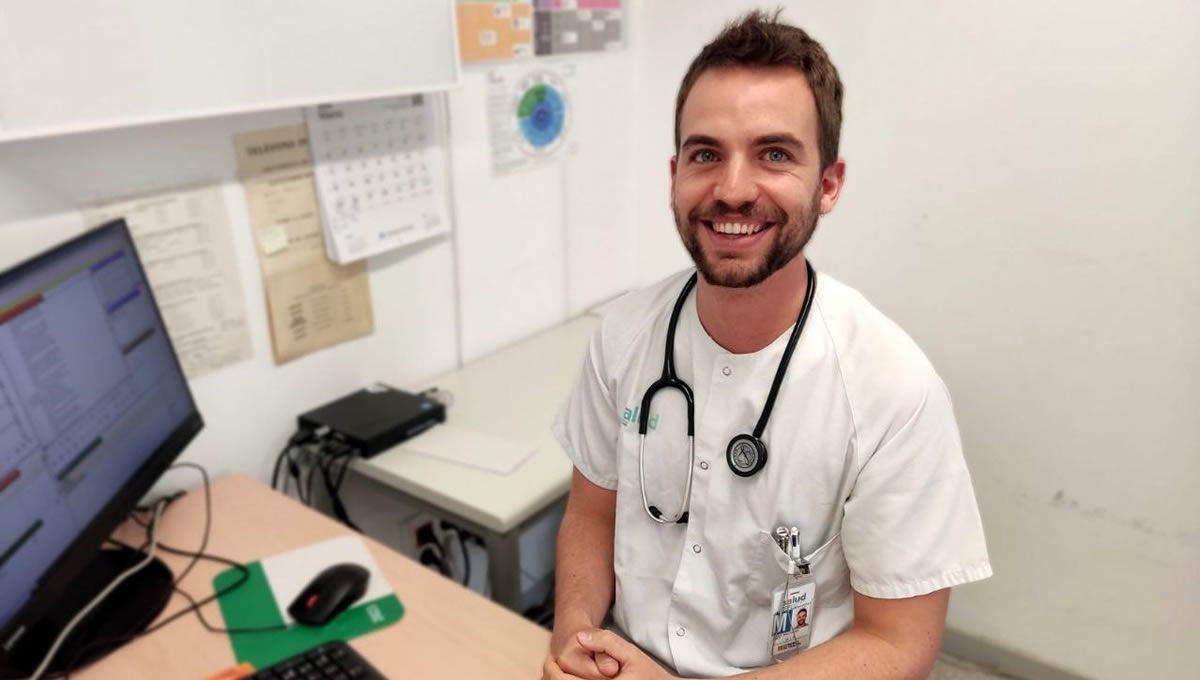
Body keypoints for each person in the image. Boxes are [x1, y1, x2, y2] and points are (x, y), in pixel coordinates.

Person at [545, 9, 991, 680]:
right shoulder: (623, 335)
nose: (731, 190)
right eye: (706, 154)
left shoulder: (894, 391)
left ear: (828, 184)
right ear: (674, 175)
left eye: (774, 154)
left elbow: (899, 645)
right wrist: (576, 639)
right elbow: (591, 513)